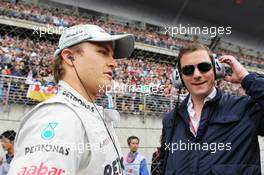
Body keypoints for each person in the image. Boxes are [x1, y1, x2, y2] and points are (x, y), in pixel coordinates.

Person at [8, 24, 134, 175]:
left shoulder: (84, 112)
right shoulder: (58, 117)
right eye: (102, 52)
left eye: (112, 55)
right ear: (69, 57)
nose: (114, 63)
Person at [160, 43, 264, 175]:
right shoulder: (170, 120)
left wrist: (247, 78)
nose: (197, 75)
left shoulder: (245, 108)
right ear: (179, 77)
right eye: (188, 70)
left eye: (204, 67)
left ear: (216, 70)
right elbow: (163, 164)